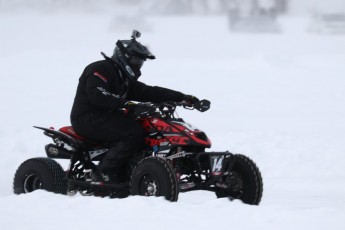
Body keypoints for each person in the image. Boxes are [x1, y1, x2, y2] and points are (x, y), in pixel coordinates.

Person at [70, 30, 199, 183]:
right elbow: (98, 95)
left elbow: (150, 92)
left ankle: (134, 170)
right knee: (133, 133)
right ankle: (104, 173)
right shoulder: (100, 69)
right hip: (87, 117)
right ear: (123, 57)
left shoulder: (123, 78)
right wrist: (129, 105)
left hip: (110, 118)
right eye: (136, 61)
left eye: (141, 63)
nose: (138, 66)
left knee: (147, 129)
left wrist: (183, 97)